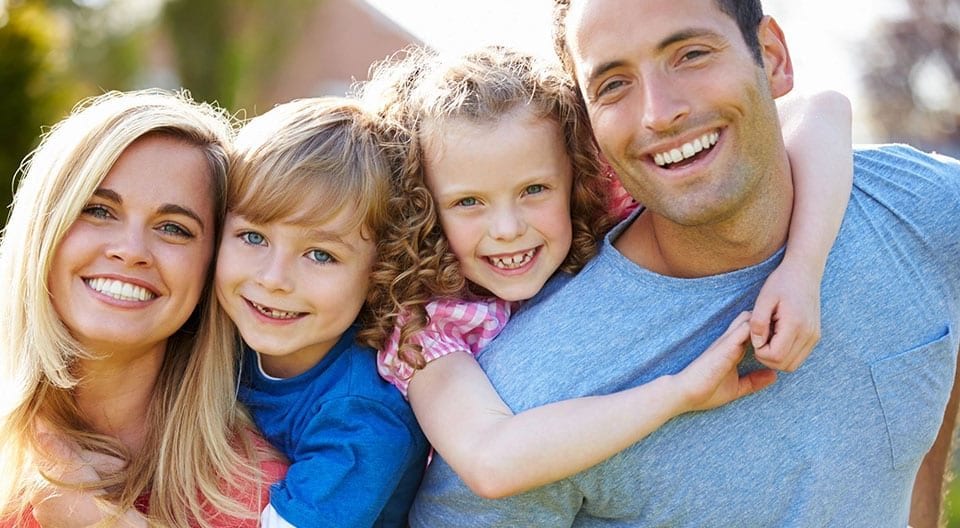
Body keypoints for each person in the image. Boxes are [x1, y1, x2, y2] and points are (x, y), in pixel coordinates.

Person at [405, 1, 960, 526]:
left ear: (772, 57)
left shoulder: (928, 211)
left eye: (691, 54)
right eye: (614, 83)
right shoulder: (527, 399)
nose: (660, 114)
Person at [358, 44, 852, 502]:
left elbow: (822, 109)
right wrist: (678, 393)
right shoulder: (427, 325)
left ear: (573, 174)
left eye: (534, 189)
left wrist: (802, 269)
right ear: (422, 209)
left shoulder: (601, 203)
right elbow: (491, 461)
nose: (508, 228)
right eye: (468, 202)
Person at [0, 90, 284, 527]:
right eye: (98, 210)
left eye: (174, 228)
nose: (132, 251)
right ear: (44, 228)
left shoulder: (264, 497)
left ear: (213, 267)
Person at [216, 96, 429, 527]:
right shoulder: (217, 338)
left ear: (378, 274)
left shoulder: (362, 417)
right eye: (254, 237)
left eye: (320, 254)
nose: (274, 278)